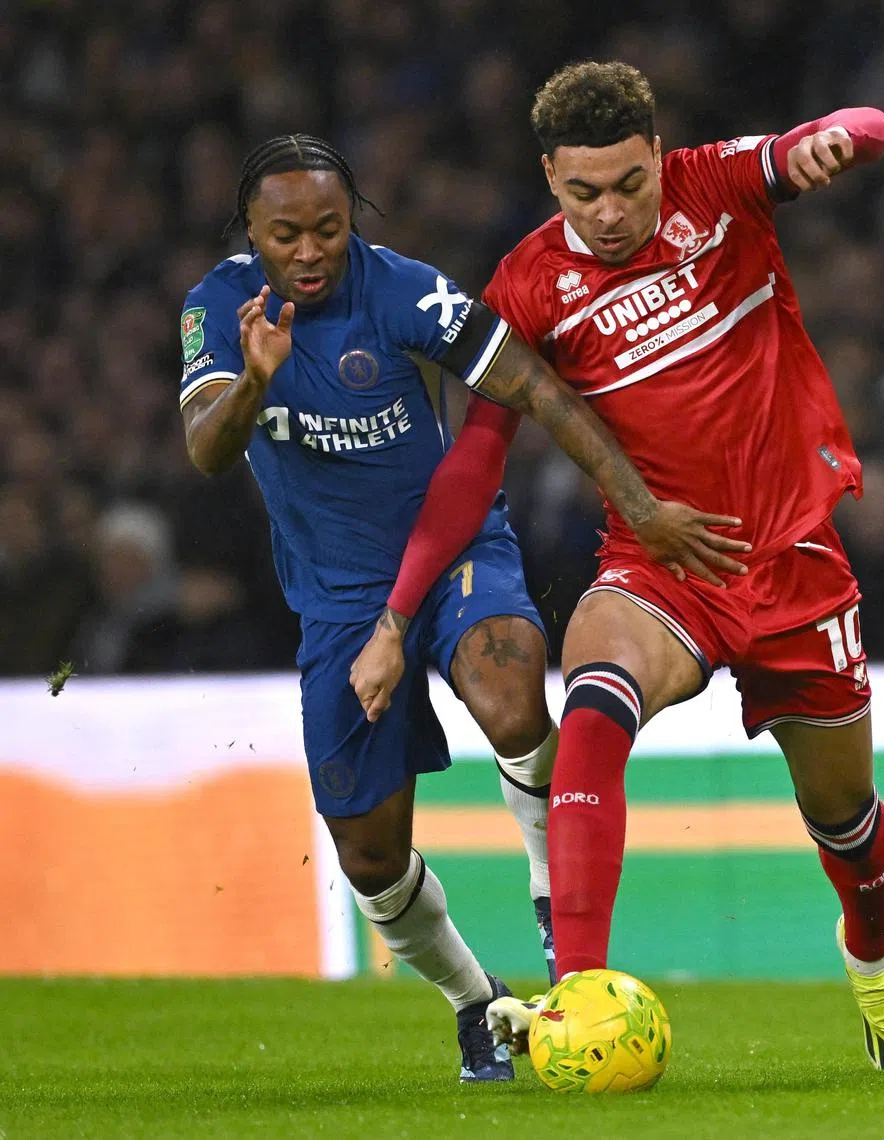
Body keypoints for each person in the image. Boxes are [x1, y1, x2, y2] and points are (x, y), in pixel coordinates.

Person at [361, 64, 884, 1071]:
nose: (612, 213)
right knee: (592, 700)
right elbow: (477, 461)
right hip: (660, 567)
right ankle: (578, 995)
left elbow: (868, 125)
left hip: (791, 556)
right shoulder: (527, 284)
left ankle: (874, 965)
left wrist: (836, 140)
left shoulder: (717, 185)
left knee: (844, 820)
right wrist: (400, 614)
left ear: (659, 157)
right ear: (550, 176)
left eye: (630, 184)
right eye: (585, 193)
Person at [178, 134, 746, 1082]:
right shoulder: (216, 307)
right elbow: (205, 449)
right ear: (250, 231)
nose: (311, 252)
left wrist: (640, 507)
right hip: (338, 603)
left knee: (510, 683)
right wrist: (254, 380)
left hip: (455, 556)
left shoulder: (406, 292)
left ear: (353, 220)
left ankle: (554, 909)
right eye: (287, 236)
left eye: (329, 229)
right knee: (369, 859)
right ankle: (475, 1000)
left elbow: (534, 387)